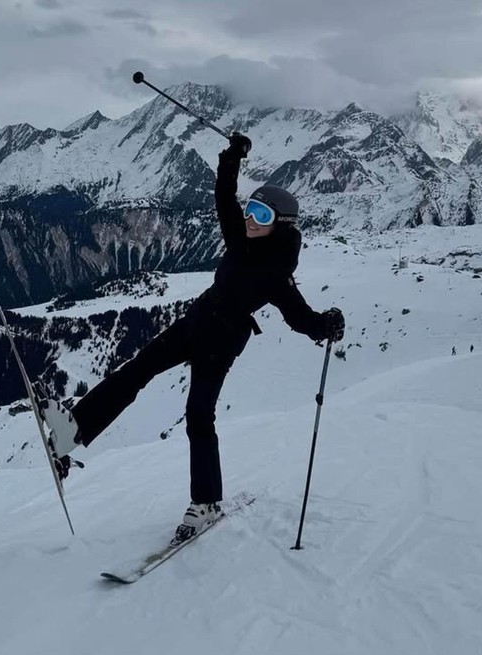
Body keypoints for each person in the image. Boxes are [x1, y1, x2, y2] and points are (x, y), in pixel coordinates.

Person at [42, 133, 345, 545]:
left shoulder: (276, 274)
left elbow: (299, 317)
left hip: (222, 340)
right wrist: (232, 157)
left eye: (262, 215)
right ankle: (72, 430)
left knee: (198, 414)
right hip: (198, 319)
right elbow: (225, 197)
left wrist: (326, 324)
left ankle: (206, 502)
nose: (251, 218)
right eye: (252, 210)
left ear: (281, 226)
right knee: (137, 370)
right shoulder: (241, 238)